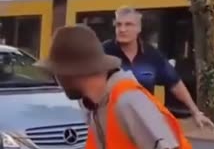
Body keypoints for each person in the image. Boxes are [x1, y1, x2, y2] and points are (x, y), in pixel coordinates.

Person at [35, 25, 192, 149]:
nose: (57, 79)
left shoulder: (129, 101)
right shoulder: (94, 105)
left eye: (57, 72)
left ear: (73, 73)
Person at [103, 6, 214, 129]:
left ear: (139, 28)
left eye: (128, 25)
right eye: (118, 25)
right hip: (110, 124)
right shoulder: (102, 53)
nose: (122, 29)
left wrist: (195, 112)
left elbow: (175, 83)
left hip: (143, 125)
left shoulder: (152, 55)